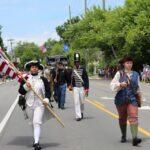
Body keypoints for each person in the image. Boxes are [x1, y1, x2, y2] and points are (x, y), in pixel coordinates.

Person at [18, 60, 52, 150]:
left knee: (37, 122)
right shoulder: (25, 79)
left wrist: (47, 99)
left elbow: (48, 91)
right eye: (33, 67)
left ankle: (36, 143)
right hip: (29, 104)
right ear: (30, 69)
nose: (34, 68)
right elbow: (20, 91)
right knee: (32, 123)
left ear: (38, 69)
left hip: (39, 104)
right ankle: (35, 138)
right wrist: (26, 86)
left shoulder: (43, 79)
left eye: (36, 67)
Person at [110, 57, 142, 146]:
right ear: (124, 64)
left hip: (132, 99)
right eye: (127, 63)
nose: (129, 64)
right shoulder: (119, 74)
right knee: (122, 118)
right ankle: (123, 135)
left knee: (134, 117)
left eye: (131, 63)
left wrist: (139, 97)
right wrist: (120, 84)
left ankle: (134, 138)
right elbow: (112, 86)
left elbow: (138, 87)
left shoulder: (136, 74)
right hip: (121, 99)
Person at [69, 53, 89, 121]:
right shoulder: (72, 69)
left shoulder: (83, 69)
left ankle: (81, 112)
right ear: (74, 62)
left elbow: (86, 79)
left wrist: (87, 89)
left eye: (77, 62)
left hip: (82, 88)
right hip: (75, 88)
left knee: (82, 101)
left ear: (79, 62)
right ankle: (78, 116)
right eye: (75, 62)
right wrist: (71, 79)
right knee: (76, 102)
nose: (76, 63)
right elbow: (70, 79)